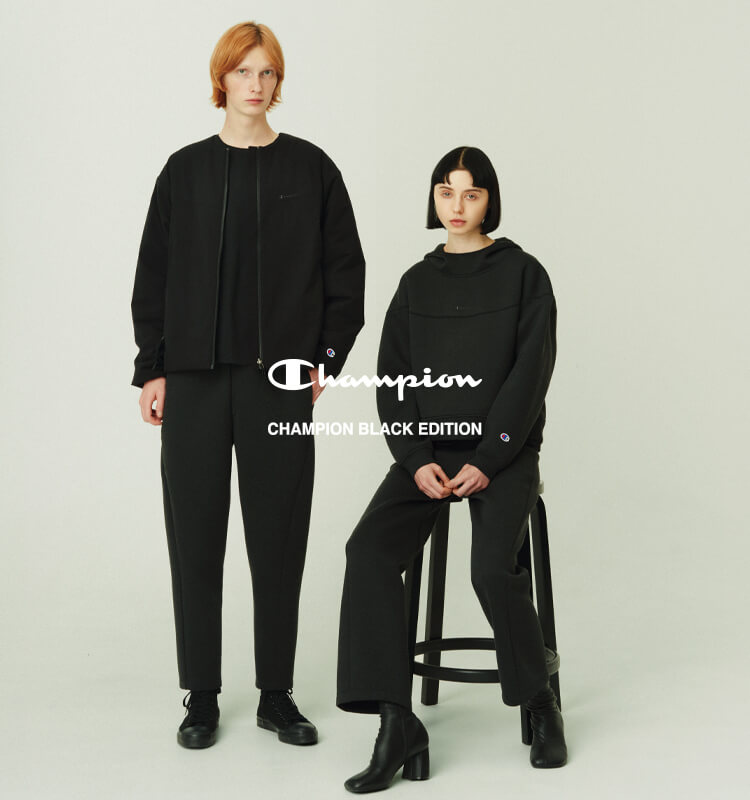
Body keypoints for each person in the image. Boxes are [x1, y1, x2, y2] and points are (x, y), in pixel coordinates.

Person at [130, 21, 365, 749]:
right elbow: (152, 276)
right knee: (195, 538)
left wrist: (324, 360)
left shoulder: (312, 169)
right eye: (243, 72)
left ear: (278, 82)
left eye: (267, 73)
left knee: (279, 539)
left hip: (278, 385)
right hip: (194, 382)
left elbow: (346, 275)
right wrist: (152, 367)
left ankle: (276, 695)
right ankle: (200, 696)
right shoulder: (184, 171)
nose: (255, 85)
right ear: (221, 80)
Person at [336, 146, 566, 792]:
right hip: (428, 456)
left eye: (471, 193)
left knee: (490, 568)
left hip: (505, 453)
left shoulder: (524, 274)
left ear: (490, 199)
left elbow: (530, 376)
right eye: (446, 192)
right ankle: (396, 722)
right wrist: (414, 460)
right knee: (367, 551)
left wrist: (491, 457)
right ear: (433, 199)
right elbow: (393, 380)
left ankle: (540, 700)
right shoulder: (416, 282)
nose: (457, 206)